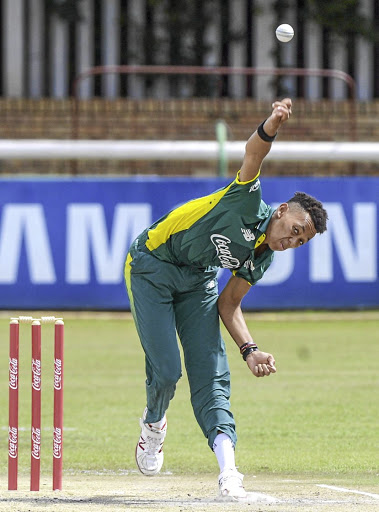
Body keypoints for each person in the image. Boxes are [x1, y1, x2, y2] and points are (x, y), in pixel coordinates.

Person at [124, 98, 328, 500]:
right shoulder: (247, 199)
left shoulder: (263, 257)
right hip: (152, 264)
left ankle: (229, 474)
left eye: (300, 242)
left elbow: (229, 305)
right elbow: (254, 152)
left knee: (212, 374)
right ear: (282, 210)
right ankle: (153, 424)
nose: (291, 241)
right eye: (294, 229)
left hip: (198, 282)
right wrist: (273, 123)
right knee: (166, 371)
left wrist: (249, 349)